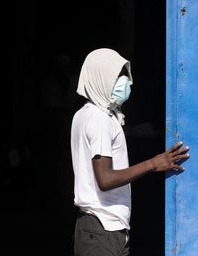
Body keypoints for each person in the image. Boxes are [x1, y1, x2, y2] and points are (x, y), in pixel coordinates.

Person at [70, 48, 190, 256]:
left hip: (104, 229)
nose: (125, 81)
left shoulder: (84, 115)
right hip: (102, 230)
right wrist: (153, 163)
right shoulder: (99, 119)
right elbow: (105, 179)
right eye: (117, 76)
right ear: (100, 77)